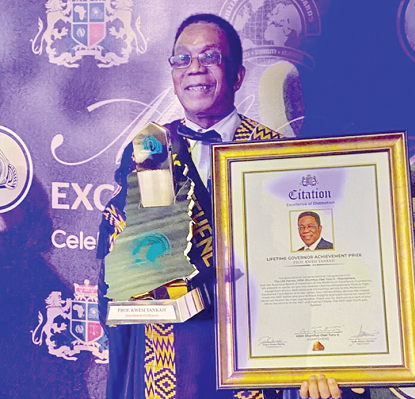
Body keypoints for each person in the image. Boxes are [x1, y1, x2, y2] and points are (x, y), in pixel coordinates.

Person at [99, 13, 367, 399]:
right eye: (182, 59)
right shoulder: (147, 149)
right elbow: (120, 262)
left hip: (253, 344)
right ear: (173, 74)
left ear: (238, 76)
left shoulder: (277, 153)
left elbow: (314, 265)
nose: (195, 69)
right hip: (169, 350)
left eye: (210, 57)